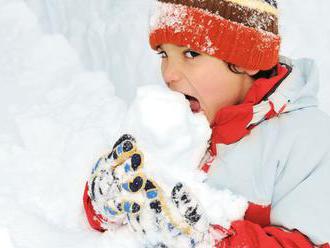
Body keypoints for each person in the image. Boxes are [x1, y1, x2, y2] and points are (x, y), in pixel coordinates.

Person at [83, 0, 330, 247]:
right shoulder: (173, 123)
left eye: (191, 53)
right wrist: (106, 202)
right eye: (164, 54)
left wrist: (211, 242)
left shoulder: (309, 142)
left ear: (248, 59)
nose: (169, 74)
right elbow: (123, 217)